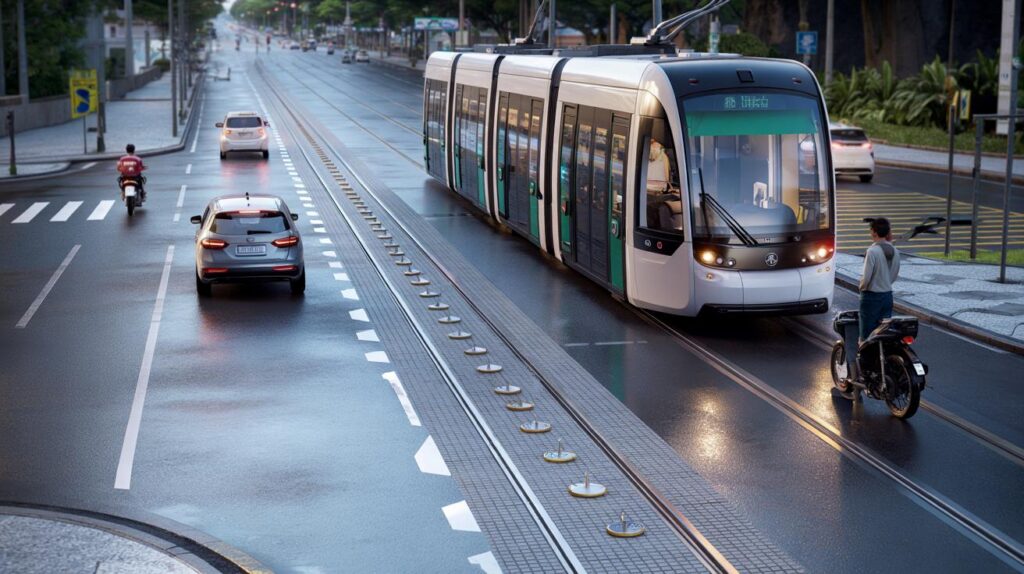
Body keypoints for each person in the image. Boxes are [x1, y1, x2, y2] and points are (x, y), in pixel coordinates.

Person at [859, 217, 900, 342]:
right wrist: (885, 283)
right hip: (887, 296)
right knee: (883, 333)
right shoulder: (895, 251)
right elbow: (894, 274)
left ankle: (865, 354)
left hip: (871, 297)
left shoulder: (872, 251)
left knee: (866, 335)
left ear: (874, 232)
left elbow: (866, 277)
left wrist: (861, 287)